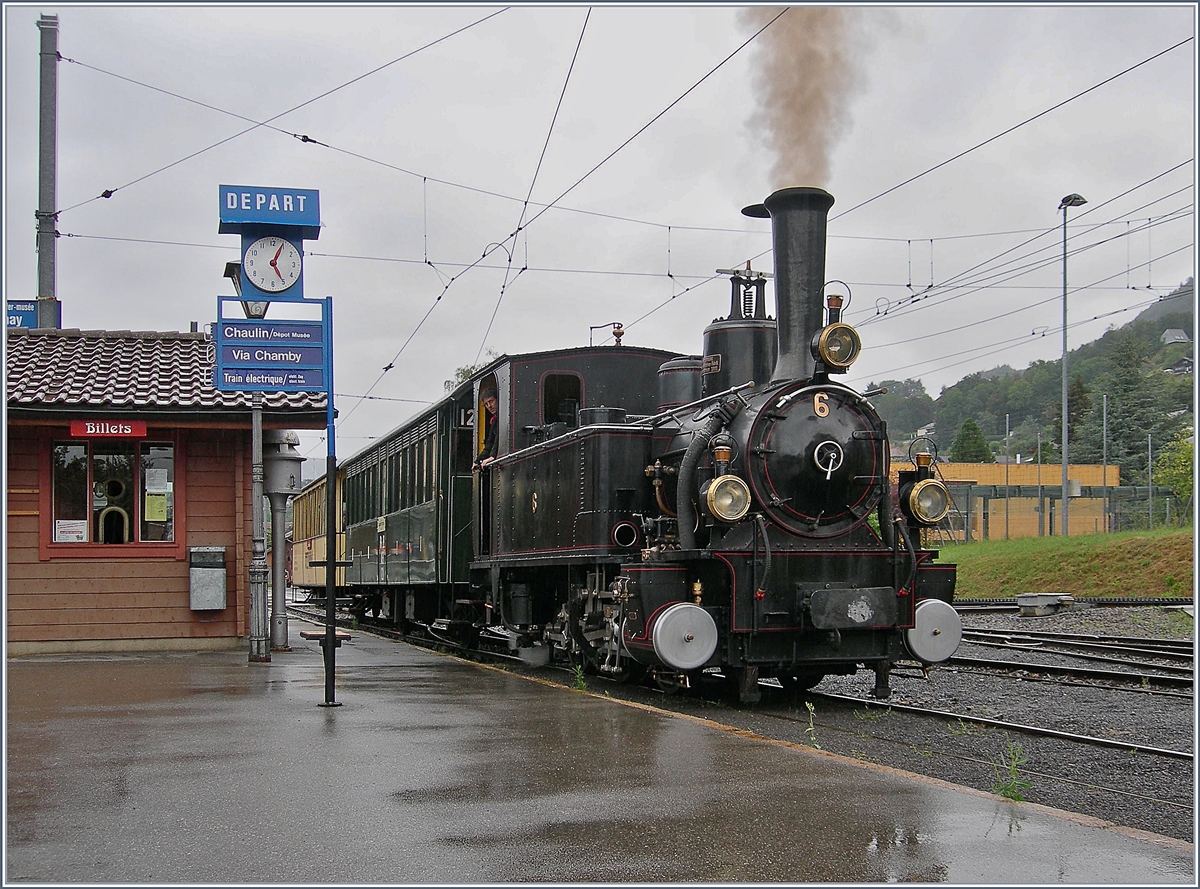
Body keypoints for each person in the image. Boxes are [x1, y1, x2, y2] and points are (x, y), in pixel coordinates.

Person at [472, 388, 498, 472]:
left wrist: (493, 456)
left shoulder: (503, 418)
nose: (489, 406)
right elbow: (490, 442)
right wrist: (478, 460)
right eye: (486, 404)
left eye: (491, 401)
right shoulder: (494, 420)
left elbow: (500, 438)